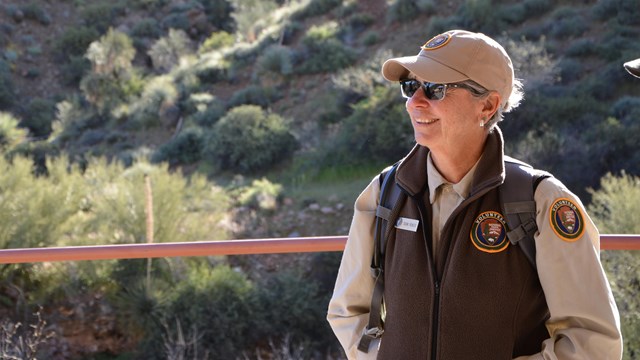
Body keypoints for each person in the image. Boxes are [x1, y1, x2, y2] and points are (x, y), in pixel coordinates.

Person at [327, 29, 623, 359]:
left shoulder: (541, 201)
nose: (414, 102)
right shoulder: (384, 192)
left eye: (435, 89)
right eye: (410, 86)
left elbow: (593, 341)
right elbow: (347, 312)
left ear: (488, 105)